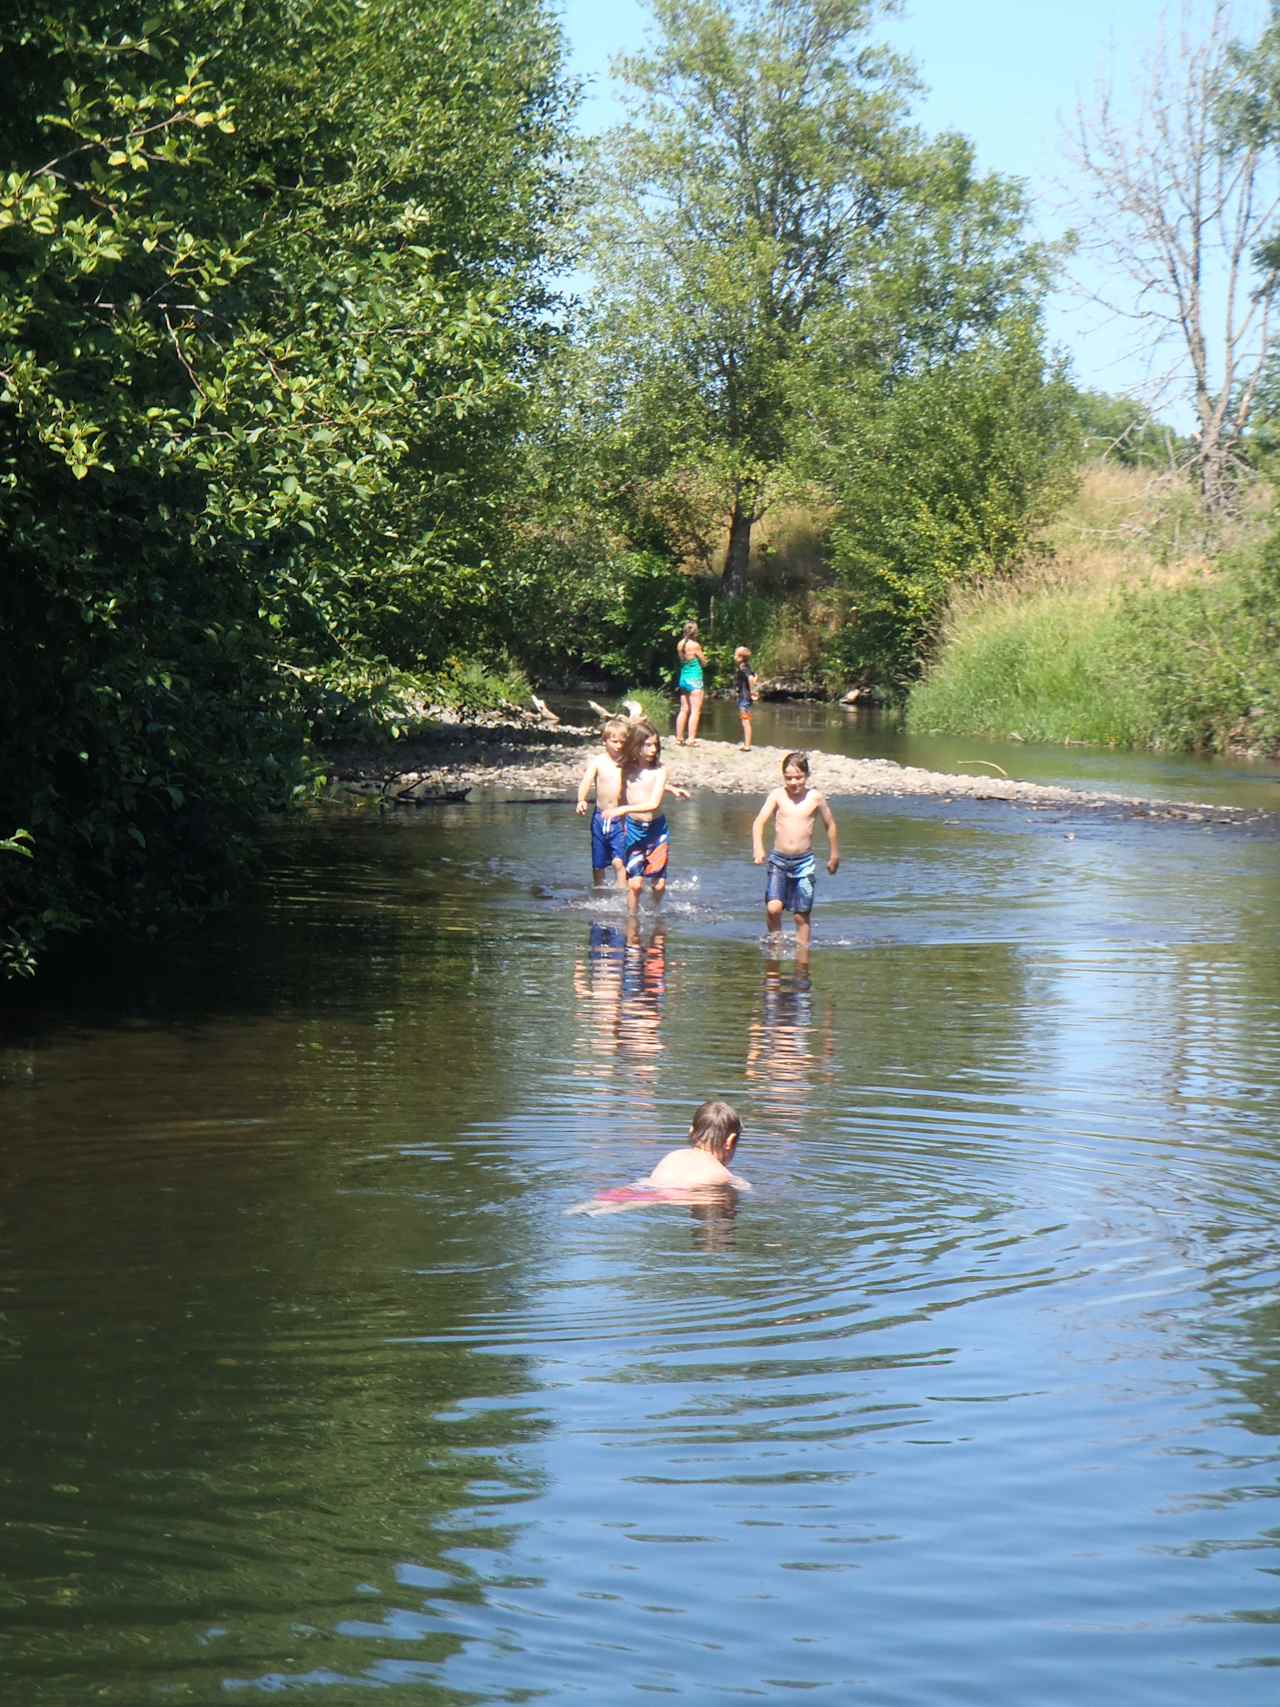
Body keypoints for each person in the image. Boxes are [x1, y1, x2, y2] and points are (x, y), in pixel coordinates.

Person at [566, 1100, 750, 1215]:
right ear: (730, 1141)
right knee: (642, 1202)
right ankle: (596, 1213)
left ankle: (575, 1209)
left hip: (644, 1184)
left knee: (615, 1198)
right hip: (671, 1194)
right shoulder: (722, 1174)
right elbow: (745, 1189)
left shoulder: (675, 1155)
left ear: (691, 1132)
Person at [752, 751, 840, 949]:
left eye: (798, 777)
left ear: (807, 776)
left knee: (801, 915)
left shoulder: (815, 798)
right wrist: (758, 847)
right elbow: (759, 822)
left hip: (804, 863)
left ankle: (803, 956)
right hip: (779, 861)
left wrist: (834, 855)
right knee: (774, 908)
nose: (793, 782)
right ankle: (775, 945)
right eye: (788, 777)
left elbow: (830, 825)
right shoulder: (777, 795)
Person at [602, 718, 690, 915]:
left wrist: (621, 810)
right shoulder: (627, 768)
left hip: (656, 831)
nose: (652, 749)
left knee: (658, 886)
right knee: (635, 885)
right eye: (647, 745)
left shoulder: (660, 770)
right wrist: (620, 814)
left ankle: (654, 913)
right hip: (633, 830)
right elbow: (633, 788)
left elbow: (653, 803)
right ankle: (632, 919)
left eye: (655, 745)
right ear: (636, 746)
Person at [576, 715, 630, 887]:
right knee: (598, 862)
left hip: (621, 819)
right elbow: (586, 781)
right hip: (600, 818)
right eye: (614, 741)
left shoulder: (628, 762)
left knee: (618, 861)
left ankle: (622, 893)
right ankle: (598, 891)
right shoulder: (599, 761)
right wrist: (581, 799)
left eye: (622, 742)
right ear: (604, 741)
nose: (619, 746)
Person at [674, 620, 706, 745]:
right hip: (695, 679)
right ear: (695, 632)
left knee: (683, 709)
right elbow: (703, 661)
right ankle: (691, 739)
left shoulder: (680, 644)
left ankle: (679, 737)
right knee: (695, 710)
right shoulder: (695, 645)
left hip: (683, 679)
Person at [733, 645, 758, 750]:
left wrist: (753, 691)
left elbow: (751, 678)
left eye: (735, 654)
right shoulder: (746, 666)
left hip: (744, 698)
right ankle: (746, 743)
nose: (734, 656)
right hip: (744, 697)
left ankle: (747, 745)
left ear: (740, 657)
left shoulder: (743, 667)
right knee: (745, 720)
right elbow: (755, 676)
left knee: (745, 721)